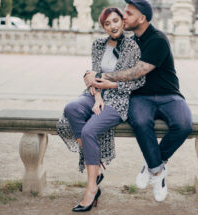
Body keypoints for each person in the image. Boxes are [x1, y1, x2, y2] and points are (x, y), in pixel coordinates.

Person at [85, 0, 193, 202]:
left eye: (129, 13)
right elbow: (105, 61)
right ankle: (158, 172)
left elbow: (137, 72)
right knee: (141, 123)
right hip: (141, 95)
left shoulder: (158, 39)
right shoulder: (129, 41)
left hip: (169, 94)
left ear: (142, 18)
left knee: (184, 125)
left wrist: (102, 77)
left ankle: (153, 163)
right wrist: (90, 75)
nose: (124, 16)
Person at [56, 7, 145, 212]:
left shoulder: (133, 46)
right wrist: (96, 97)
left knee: (89, 131)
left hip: (119, 100)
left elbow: (140, 81)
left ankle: (91, 188)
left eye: (115, 21)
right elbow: (94, 73)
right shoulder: (98, 44)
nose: (112, 26)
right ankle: (95, 169)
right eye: (107, 23)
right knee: (71, 109)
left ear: (122, 22)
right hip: (95, 94)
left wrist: (111, 86)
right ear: (103, 26)